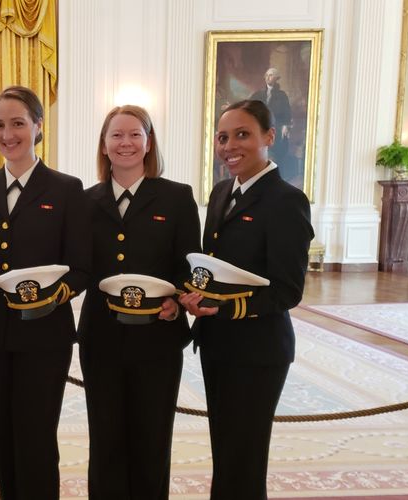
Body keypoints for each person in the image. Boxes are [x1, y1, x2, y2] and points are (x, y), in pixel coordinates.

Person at [0, 85, 90, 499]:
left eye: (17, 124)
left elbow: (81, 268)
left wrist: (48, 297)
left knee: (36, 440)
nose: (7, 135)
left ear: (38, 126)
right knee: (2, 438)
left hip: (45, 337)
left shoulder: (66, 189)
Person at [179, 99, 313, 499]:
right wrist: (194, 294)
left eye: (242, 135)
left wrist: (225, 307)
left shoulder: (286, 201)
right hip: (218, 343)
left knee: (245, 456)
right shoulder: (222, 191)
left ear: (269, 136)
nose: (229, 146)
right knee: (226, 450)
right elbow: (213, 266)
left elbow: (287, 289)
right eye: (223, 137)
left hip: (258, 349)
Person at [78, 105, 200, 499]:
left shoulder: (177, 197)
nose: (125, 143)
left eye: (135, 134)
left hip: (157, 339)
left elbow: (189, 265)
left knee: (152, 438)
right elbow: (77, 265)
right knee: (105, 439)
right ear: (104, 144)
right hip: (101, 338)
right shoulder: (84, 201)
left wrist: (177, 300)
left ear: (149, 143)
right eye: (116, 135)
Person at [249, 68, 292, 175]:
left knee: (276, 150)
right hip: (260, 127)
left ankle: (274, 175)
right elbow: (248, 106)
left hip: (276, 127)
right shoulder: (259, 94)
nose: (268, 77)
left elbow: (287, 112)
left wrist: (285, 126)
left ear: (276, 78)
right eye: (267, 75)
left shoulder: (282, 95)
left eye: (271, 75)